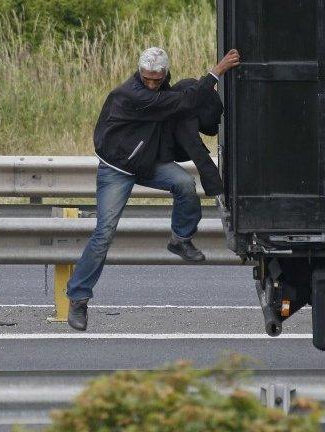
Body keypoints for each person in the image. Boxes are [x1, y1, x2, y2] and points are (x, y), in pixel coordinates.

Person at [66, 47, 241, 331]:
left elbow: (185, 100)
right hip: (117, 168)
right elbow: (185, 101)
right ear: (139, 73)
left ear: (163, 75)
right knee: (104, 233)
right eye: (146, 78)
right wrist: (217, 71)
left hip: (147, 162)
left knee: (185, 184)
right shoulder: (133, 95)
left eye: (156, 79)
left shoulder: (161, 92)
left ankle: (180, 238)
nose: (151, 83)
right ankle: (78, 298)